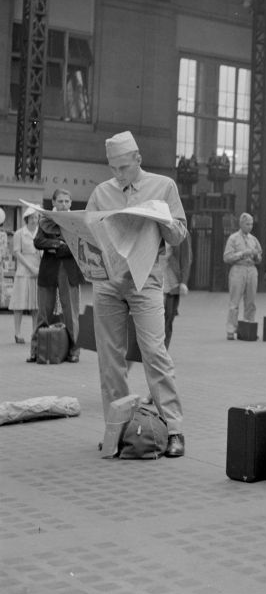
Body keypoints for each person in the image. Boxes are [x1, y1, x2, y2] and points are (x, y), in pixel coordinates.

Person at [86, 131, 188, 458]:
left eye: (124, 168)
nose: (118, 175)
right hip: (108, 282)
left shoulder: (164, 186)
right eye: (113, 168)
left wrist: (163, 220)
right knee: (110, 359)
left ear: (138, 160)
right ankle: (117, 430)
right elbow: (89, 234)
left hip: (146, 281)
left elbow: (179, 235)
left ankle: (174, 429)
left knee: (154, 352)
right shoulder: (102, 193)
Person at [34, 188, 86, 362]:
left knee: (71, 312)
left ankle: (74, 351)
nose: (64, 204)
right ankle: (37, 350)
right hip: (48, 269)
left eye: (67, 201)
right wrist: (60, 244)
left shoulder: (77, 221)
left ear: (71, 203)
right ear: (54, 203)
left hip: (69, 270)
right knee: (43, 311)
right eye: (60, 201)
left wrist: (53, 247)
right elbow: (38, 242)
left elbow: (79, 246)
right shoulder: (45, 219)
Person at [223, 213, 263, 340]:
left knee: (251, 301)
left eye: (251, 224)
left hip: (251, 269)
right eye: (247, 224)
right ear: (241, 224)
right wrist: (242, 254)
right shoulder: (233, 238)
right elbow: (227, 257)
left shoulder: (254, 239)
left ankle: (248, 328)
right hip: (238, 269)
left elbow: (259, 257)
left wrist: (256, 256)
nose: (250, 226)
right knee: (234, 301)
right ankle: (231, 329)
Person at [11, 207, 40, 352]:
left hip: (38, 271)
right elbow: (16, 252)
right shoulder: (19, 233)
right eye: (32, 218)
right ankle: (17, 333)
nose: (35, 220)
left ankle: (35, 333)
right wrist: (30, 267)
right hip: (24, 271)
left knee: (36, 305)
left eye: (36, 217)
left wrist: (39, 269)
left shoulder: (40, 233)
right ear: (26, 219)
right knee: (19, 304)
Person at [162, 234, 192, 348]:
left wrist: (184, 281)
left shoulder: (180, 232)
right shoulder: (150, 226)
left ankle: (163, 349)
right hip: (152, 279)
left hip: (172, 281)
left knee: (168, 317)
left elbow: (186, 258)